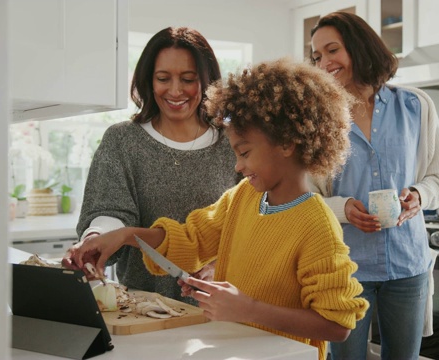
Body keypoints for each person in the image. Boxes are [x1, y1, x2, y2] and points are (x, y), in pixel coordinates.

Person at [64, 58, 369, 360]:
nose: (238, 166)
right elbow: (190, 240)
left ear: (287, 143)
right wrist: (125, 235)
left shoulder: (316, 225)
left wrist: (248, 309)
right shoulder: (243, 198)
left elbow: (336, 324)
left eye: (245, 152)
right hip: (233, 350)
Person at [308, 12, 439, 360]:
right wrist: (342, 208)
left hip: (407, 265)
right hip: (345, 270)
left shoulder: (416, 106)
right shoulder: (317, 117)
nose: (324, 63)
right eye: (317, 57)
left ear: (359, 49)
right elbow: (304, 197)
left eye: (333, 51)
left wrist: (420, 195)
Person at [62, 27, 240, 305]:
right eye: (163, 78)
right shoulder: (122, 140)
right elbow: (110, 209)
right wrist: (97, 238)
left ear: (206, 81)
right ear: (148, 80)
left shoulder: (234, 143)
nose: (175, 90)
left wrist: (224, 265)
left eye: (188, 79)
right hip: (140, 307)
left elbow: (252, 222)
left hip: (220, 310)